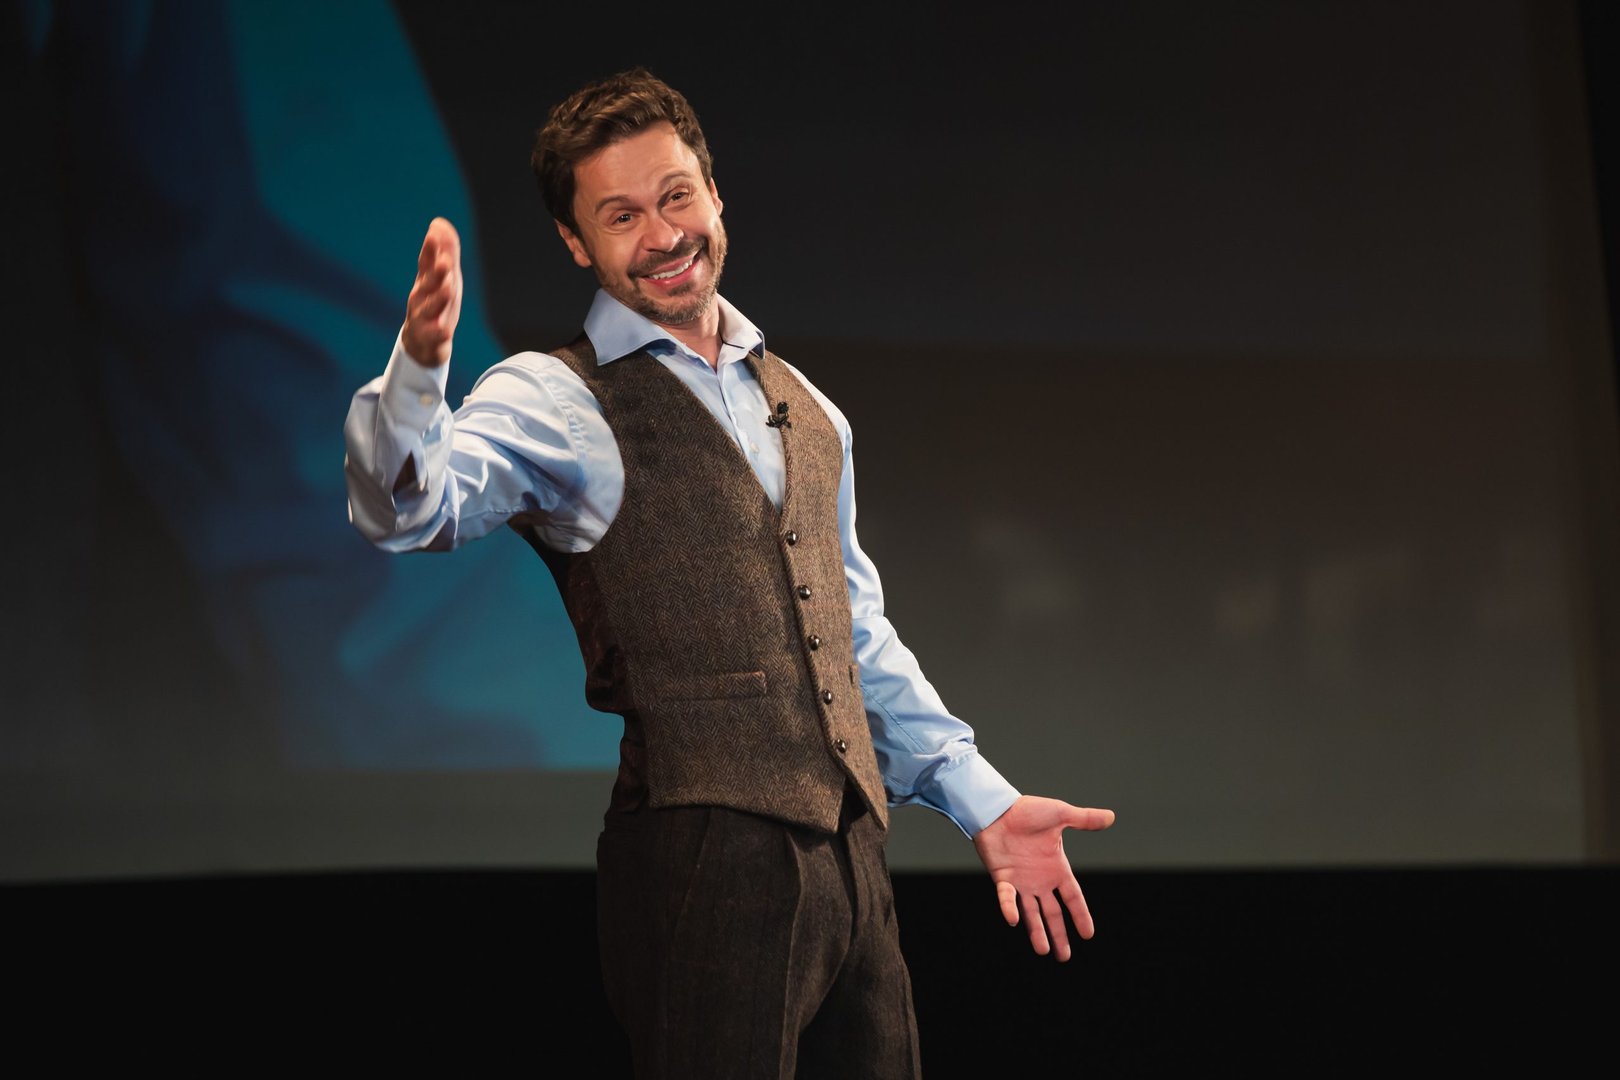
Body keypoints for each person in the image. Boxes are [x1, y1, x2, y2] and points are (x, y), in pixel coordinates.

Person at [344, 67, 1116, 1080]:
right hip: (700, 858)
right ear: (576, 243)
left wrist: (985, 800)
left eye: (676, 196)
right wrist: (414, 381)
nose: (663, 235)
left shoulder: (809, 408)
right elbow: (412, 510)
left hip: (853, 859)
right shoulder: (555, 398)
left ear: (715, 193)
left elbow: (851, 636)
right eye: (621, 216)